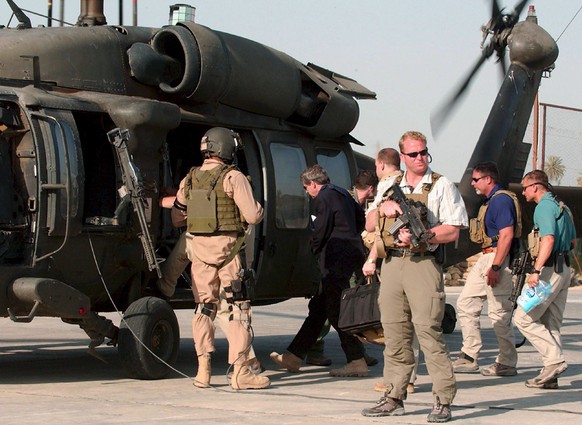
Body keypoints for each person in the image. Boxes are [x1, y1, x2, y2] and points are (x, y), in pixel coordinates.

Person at [361, 131, 468, 423]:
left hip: (423, 263)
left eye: (423, 152)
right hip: (393, 264)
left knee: (429, 332)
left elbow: (454, 228)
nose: (420, 158)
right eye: (413, 154)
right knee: (394, 333)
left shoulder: (442, 185)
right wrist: (383, 209)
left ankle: (443, 400)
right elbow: (369, 222)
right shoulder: (388, 184)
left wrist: (425, 235)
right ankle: (394, 395)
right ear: (402, 157)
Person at [170, 127, 270, 390]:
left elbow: (177, 217)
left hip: (200, 254)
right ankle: (240, 372)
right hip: (228, 253)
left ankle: (203, 371)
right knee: (239, 309)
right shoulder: (233, 177)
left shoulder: (189, 179)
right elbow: (252, 216)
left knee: (204, 307)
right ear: (226, 149)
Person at [270, 164, 368, 377]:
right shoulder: (343, 193)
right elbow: (361, 219)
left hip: (334, 260)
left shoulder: (323, 197)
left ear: (313, 184)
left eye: (307, 188)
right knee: (319, 309)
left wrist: (314, 250)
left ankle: (356, 360)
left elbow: (319, 230)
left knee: (335, 311)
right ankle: (293, 356)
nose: (307, 193)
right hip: (350, 255)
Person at [305, 170, 379, 367]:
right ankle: (315, 349)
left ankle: (356, 355)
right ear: (371, 188)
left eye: (306, 188)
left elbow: (324, 229)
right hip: (343, 260)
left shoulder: (332, 196)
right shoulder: (340, 195)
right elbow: (325, 228)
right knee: (333, 307)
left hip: (345, 261)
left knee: (336, 307)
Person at [453, 162, 520, 376]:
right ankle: (470, 356)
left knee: (499, 313)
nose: (472, 183)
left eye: (476, 179)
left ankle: (507, 362)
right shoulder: (490, 201)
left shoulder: (500, 200)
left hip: (497, 257)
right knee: (466, 303)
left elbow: (507, 235)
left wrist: (497, 266)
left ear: (488, 179)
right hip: (486, 256)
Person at [363, 148, 420, 395]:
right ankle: (407, 378)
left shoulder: (389, 184)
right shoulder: (415, 182)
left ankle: (397, 379)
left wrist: (371, 258)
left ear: (380, 164)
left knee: (395, 322)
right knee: (412, 322)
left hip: (395, 259)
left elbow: (374, 226)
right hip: (418, 261)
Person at [514, 170, 576, 389]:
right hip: (564, 268)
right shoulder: (562, 206)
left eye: (525, 188)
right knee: (551, 324)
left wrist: (536, 270)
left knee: (522, 317)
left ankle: (554, 361)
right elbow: (573, 243)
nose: (523, 192)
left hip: (549, 271)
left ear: (536, 187)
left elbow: (548, 239)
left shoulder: (543, 207)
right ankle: (551, 377)